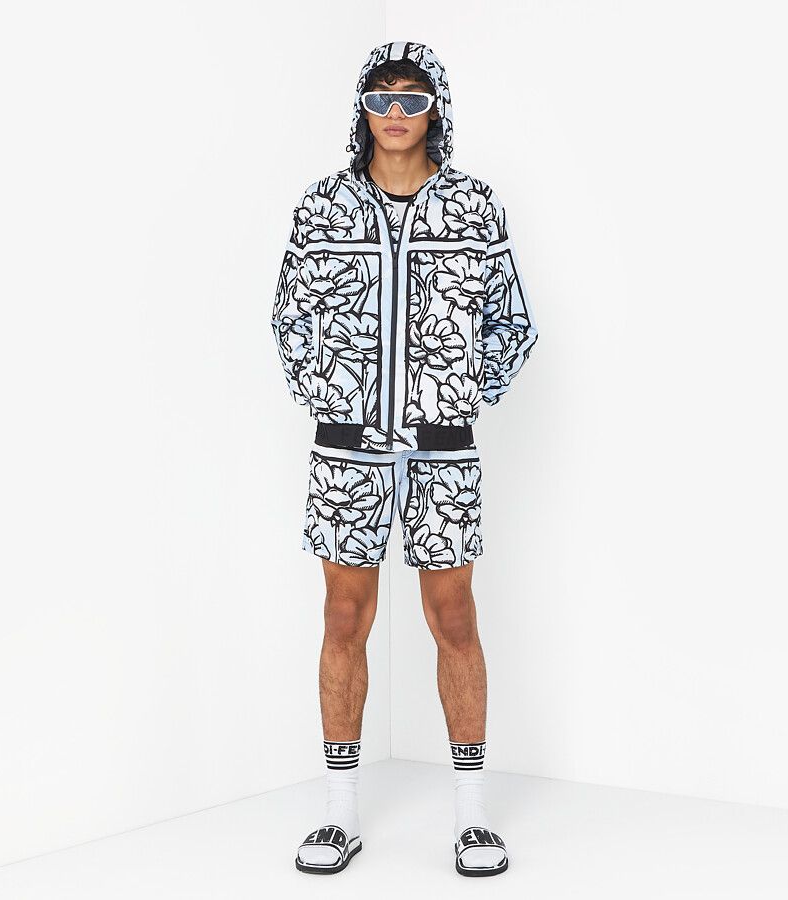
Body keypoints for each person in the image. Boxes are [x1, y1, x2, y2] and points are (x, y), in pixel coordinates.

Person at [271, 41, 538, 877]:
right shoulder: (323, 207)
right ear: (363, 109)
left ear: (435, 110)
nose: (395, 113)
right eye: (381, 97)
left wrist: (459, 394)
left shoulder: (474, 207)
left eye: (411, 98)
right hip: (345, 452)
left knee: (453, 619)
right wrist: (330, 394)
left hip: (443, 455)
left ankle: (472, 818)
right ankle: (339, 815)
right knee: (343, 619)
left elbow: (513, 322)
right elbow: (288, 317)